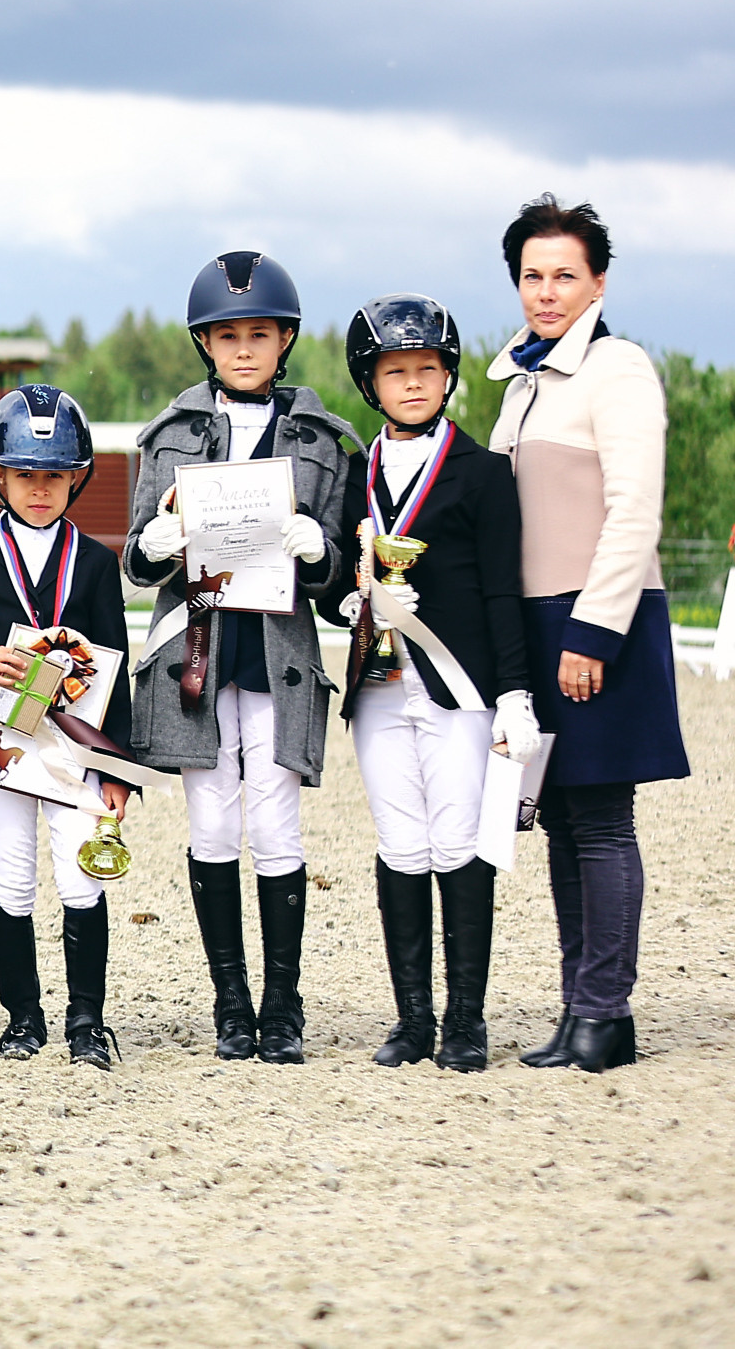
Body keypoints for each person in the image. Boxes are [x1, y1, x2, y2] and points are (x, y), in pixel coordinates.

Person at [125, 251, 354, 1065]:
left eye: (260, 333)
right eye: (228, 335)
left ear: (284, 339)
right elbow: (135, 557)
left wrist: (321, 550)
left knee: (277, 823)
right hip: (198, 652)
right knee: (215, 822)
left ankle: (283, 1004)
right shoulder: (170, 435)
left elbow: (342, 572)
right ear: (206, 343)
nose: (245, 348)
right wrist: (156, 543)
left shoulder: (325, 440)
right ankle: (230, 998)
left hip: (276, 652)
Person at [486, 196, 689, 1074]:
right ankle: (580, 1008)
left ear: (598, 281)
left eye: (564, 275)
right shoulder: (520, 384)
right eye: (533, 276)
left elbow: (634, 511)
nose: (547, 291)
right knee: (562, 820)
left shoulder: (619, 370)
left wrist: (594, 633)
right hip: (537, 623)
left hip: (598, 619)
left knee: (602, 819)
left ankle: (607, 1012)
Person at [320, 294, 538, 1072]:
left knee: (457, 841)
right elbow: (333, 580)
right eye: (395, 371)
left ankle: (465, 1021)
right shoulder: (355, 472)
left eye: (426, 368)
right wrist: (351, 601)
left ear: (448, 376)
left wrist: (514, 691)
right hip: (380, 684)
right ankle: (413, 1019)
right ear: (370, 383)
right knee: (401, 842)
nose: (412, 383)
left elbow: (504, 588)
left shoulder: (483, 473)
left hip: (458, 683)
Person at [0, 385, 136, 1069]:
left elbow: (115, 665)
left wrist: (119, 771)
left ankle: (87, 1022)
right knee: (12, 879)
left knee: (81, 880)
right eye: (23, 474)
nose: (39, 489)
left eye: (54, 475)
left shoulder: (96, 561)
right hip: (0, 742)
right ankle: (22, 1018)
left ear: (77, 478)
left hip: (75, 744)